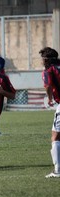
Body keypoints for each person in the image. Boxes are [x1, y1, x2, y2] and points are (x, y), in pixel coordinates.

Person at [39, 47, 60, 178]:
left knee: (55, 137)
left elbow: (48, 86)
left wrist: (50, 98)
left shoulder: (48, 71)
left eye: (42, 59)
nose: (41, 61)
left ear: (46, 60)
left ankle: (58, 170)